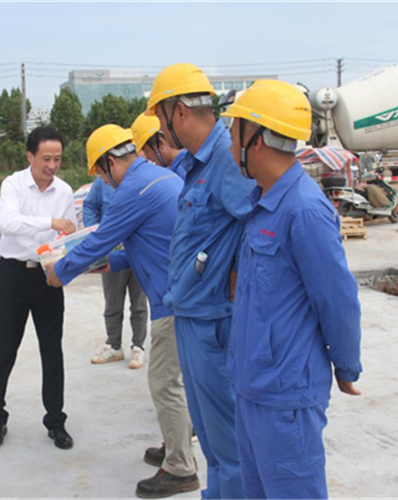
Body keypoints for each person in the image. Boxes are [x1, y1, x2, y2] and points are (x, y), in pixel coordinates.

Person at [222, 80, 363, 499]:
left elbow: (337, 300)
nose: (230, 146)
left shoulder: (304, 210)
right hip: (251, 388)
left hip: (286, 399)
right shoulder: (263, 202)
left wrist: (346, 365)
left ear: (257, 138)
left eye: (234, 134)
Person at [46, 125, 200, 499]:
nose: (104, 181)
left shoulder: (133, 189)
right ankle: (175, 444)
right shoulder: (159, 177)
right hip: (187, 292)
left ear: (110, 163)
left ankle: (180, 468)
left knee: (165, 382)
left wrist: (60, 271)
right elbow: (149, 243)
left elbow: (99, 238)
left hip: (173, 300)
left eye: (101, 174)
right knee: (179, 381)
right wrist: (110, 264)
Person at [145, 63, 255, 499]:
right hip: (191, 313)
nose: (159, 128)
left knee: (228, 444)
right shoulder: (195, 163)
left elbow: (256, 225)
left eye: (159, 117)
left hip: (212, 321)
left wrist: (234, 279)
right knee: (210, 440)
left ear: (178, 111)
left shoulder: (225, 157)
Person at [0, 126, 76, 450]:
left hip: (48, 277)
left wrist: (61, 268)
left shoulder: (64, 192)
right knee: (3, 349)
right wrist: (49, 222)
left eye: (58, 159)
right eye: (46, 158)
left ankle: (56, 420)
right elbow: (9, 223)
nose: (52, 165)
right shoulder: (13, 185)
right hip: (13, 275)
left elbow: (66, 237)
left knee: (52, 349)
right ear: (30, 156)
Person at [83, 176, 148, 368]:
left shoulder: (144, 179)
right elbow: (89, 206)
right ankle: (114, 346)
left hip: (139, 253)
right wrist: (97, 233)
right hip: (112, 253)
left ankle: (138, 347)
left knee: (139, 303)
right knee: (112, 302)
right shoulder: (102, 182)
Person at [130, 113, 188, 180]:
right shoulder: (186, 162)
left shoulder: (182, 173)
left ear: (161, 143)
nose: (148, 158)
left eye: (147, 152)